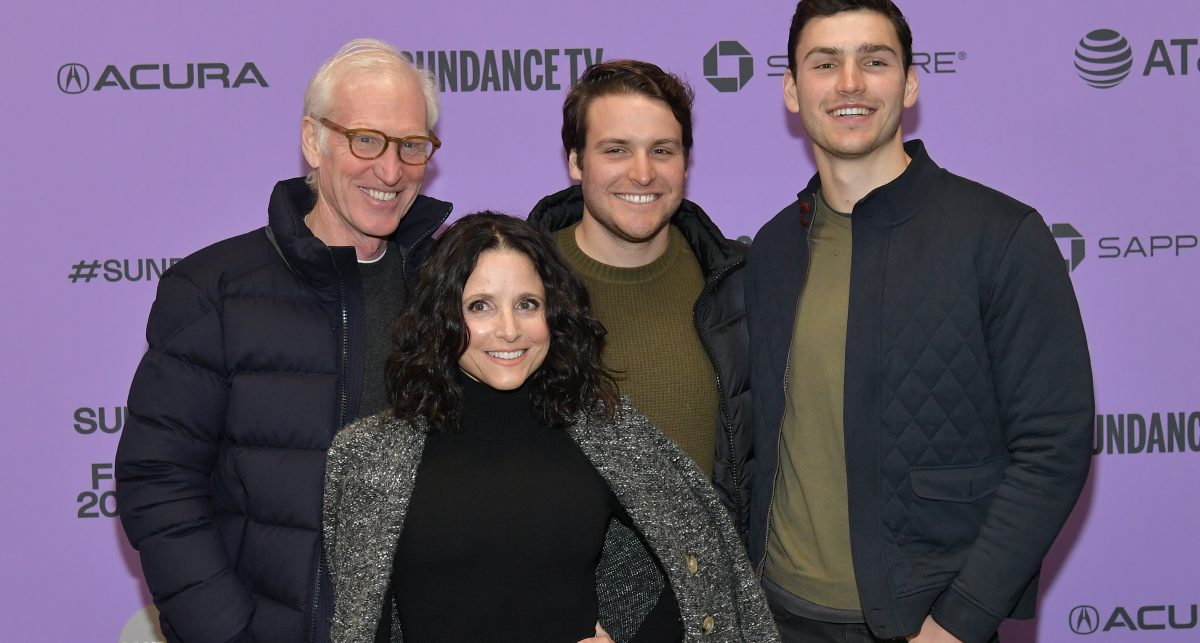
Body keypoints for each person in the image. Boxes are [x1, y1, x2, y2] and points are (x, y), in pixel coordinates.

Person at [744, 0, 1094, 643]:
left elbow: (1053, 447)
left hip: (923, 625)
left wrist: (959, 620)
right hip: (779, 616)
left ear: (909, 85)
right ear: (792, 91)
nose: (850, 83)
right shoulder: (772, 248)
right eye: (824, 63)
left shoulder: (998, 235)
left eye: (874, 61)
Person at [114, 38, 451, 642]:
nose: (391, 169)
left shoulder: (452, 289)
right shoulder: (215, 289)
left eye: (411, 145)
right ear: (312, 141)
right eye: (366, 139)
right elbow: (159, 480)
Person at [323, 212, 778, 643]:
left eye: (527, 304)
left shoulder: (606, 432)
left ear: (554, 315)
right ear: (442, 317)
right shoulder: (370, 455)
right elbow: (363, 625)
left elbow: (708, 558)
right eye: (480, 306)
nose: (509, 330)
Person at [528, 59, 753, 533]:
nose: (643, 173)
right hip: (567, 594)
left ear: (686, 163)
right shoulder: (519, 288)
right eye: (616, 150)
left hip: (710, 592)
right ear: (575, 161)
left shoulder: (737, 285)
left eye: (662, 150)